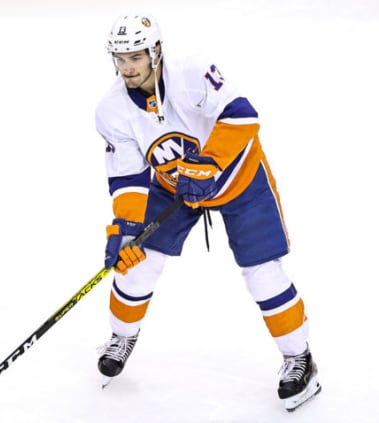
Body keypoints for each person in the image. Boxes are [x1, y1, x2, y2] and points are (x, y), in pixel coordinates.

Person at [95, 12, 321, 412]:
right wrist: (126, 227)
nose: (128, 67)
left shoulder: (191, 73)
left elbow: (243, 113)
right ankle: (121, 336)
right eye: (121, 58)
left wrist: (210, 163)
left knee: (262, 273)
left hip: (239, 180)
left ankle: (299, 358)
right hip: (172, 188)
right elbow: (128, 177)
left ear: (156, 52)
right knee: (136, 262)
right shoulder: (112, 110)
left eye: (136, 57)